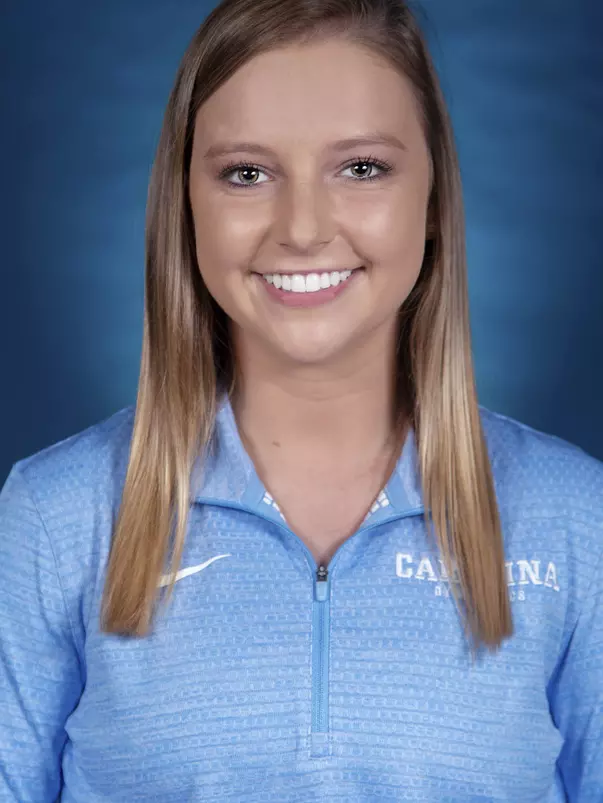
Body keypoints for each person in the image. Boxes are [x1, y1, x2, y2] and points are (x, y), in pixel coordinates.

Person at [1, 0, 601, 799]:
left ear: (432, 202)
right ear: (187, 207)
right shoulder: (52, 516)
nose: (303, 227)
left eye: (361, 168)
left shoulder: (574, 520)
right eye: (246, 174)